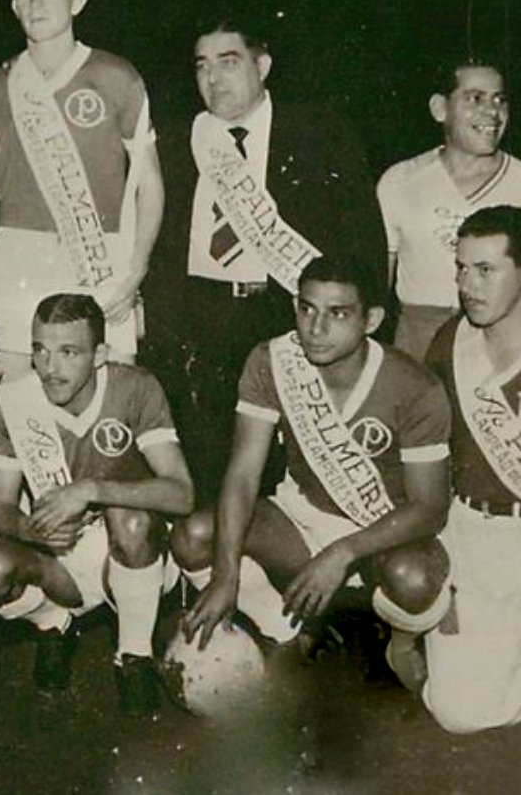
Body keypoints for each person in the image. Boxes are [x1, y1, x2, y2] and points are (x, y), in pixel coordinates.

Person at [176, 256, 452, 695]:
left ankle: (400, 644)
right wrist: (225, 576)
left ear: (372, 319)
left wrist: (343, 552)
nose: (316, 328)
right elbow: (243, 474)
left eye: (337, 313)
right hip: (301, 518)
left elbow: (430, 509)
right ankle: (284, 631)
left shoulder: (415, 387)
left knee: (413, 579)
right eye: (307, 309)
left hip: (383, 534)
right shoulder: (273, 360)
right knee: (193, 536)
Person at [152, 19, 385, 502]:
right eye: (202, 65)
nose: (213, 78)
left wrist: (368, 310)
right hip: (201, 319)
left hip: (282, 315)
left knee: (288, 466)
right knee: (208, 462)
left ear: (263, 66)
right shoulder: (179, 139)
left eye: (229, 62)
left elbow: (360, 230)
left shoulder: (318, 132)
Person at [0, 292, 192, 717]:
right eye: (40, 350)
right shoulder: (11, 402)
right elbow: (2, 508)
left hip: (131, 550)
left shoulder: (135, 388)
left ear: (100, 354)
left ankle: (134, 656)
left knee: (131, 520)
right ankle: (54, 623)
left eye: (68, 352)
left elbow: (181, 493)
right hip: (59, 553)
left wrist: (91, 490)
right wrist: (28, 530)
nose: (50, 368)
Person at [0, 0, 163, 370]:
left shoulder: (116, 76)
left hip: (99, 254)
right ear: (14, 8)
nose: (35, 3)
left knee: (107, 403)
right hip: (18, 255)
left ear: (76, 1)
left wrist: (135, 272)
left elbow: (150, 184)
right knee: (12, 402)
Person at [421, 206, 521, 733]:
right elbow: (424, 464)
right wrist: (443, 578)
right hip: (477, 536)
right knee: (459, 714)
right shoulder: (450, 342)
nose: (468, 285)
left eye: (486, 270)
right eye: (461, 268)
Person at [379, 57, 520, 360]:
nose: (492, 112)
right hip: (420, 342)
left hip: (506, 340)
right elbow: (379, 287)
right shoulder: (400, 181)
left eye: (500, 100)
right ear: (439, 109)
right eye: (475, 98)